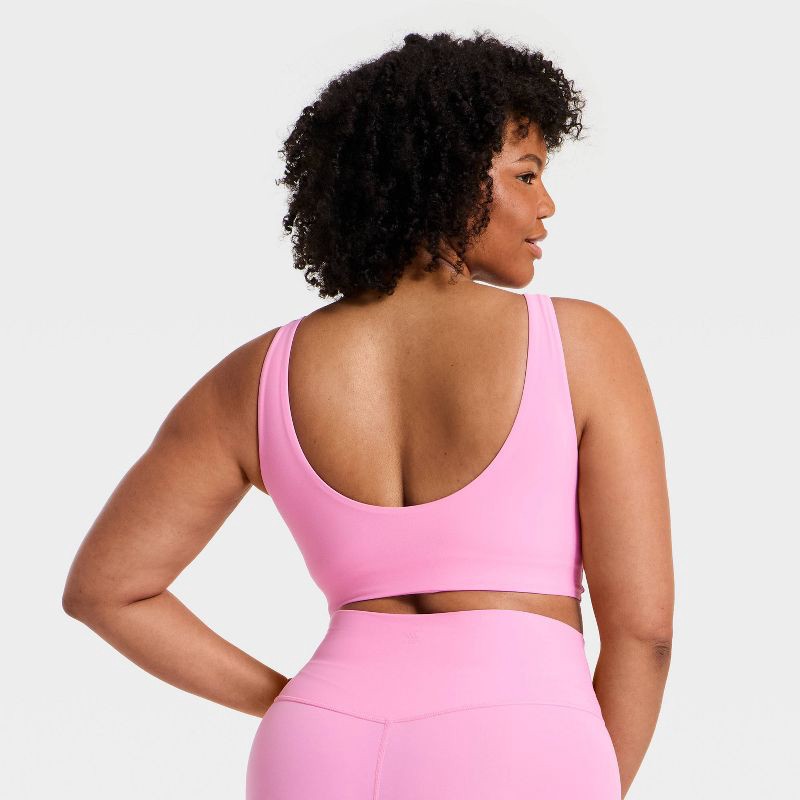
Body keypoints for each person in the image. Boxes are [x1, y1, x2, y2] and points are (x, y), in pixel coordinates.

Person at [62, 30, 673, 799]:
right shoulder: (580, 342)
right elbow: (645, 634)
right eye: (526, 174)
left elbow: (108, 589)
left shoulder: (255, 376)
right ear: (447, 175)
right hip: (523, 738)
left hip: (319, 747)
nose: (545, 205)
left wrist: (299, 702)